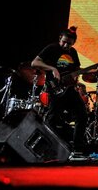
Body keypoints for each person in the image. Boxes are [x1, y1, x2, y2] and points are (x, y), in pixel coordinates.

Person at [31, 26, 89, 155]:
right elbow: (34, 63)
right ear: (59, 39)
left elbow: (76, 70)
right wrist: (53, 69)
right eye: (64, 42)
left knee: (82, 115)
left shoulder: (73, 52)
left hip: (69, 89)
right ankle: (49, 148)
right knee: (52, 118)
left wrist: (89, 72)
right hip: (54, 88)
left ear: (73, 43)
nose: (66, 45)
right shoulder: (52, 48)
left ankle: (78, 148)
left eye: (69, 43)